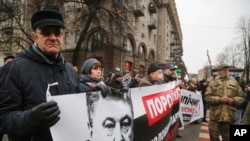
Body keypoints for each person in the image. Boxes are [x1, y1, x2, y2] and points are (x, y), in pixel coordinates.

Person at [0, 9, 79, 141]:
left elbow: (77, 105)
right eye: (46, 32)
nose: (53, 37)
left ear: (62, 36)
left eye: (57, 32)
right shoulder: (14, 69)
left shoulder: (69, 69)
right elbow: (4, 119)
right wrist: (30, 119)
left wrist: (98, 94)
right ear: (34, 36)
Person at [204, 65, 245, 141]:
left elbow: (242, 97)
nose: (225, 71)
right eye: (223, 69)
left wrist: (233, 100)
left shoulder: (235, 83)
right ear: (219, 71)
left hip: (229, 117)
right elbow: (207, 97)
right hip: (215, 116)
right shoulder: (213, 83)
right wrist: (219, 99)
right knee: (213, 137)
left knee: (227, 138)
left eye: (227, 69)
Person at [0, 55, 15, 141]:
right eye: (8, 63)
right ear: (4, 63)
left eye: (12, 63)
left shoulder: (18, 76)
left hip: (13, 114)